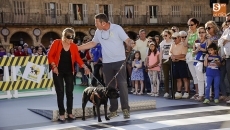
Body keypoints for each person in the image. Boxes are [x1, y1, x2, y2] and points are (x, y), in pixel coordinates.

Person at [78, 13, 134, 119]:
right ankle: (113, 110)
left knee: (122, 85)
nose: (95, 25)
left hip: (119, 61)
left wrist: (131, 43)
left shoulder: (117, 28)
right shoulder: (99, 32)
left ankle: (126, 109)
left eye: (96, 23)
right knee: (109, 88)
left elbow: (127, 40)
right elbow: (93, 43)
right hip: (107, 63)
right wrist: (78, 48)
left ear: (103, 23)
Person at [48, 27, 90, 121]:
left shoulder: (73, 46)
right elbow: (50, 55)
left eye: (72, 39)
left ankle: (70, 112)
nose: (70, 41)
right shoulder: (56, 43)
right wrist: (54, 67)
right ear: (64, 37)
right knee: (60, 92)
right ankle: (62, 113)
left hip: (69, 71)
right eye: (68, 39)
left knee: (70, 92)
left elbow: (78, 59)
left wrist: (85, 67)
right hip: (57, 71)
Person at [169, 32, 189, 99]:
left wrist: (174, 57)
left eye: (175, 38)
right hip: (175, 62)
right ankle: (179, 92)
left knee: (184, 78)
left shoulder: (183, 44)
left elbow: (183, 55)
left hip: (182, 62)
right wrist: (172, 56)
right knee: (178, 78)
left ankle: (186, 92)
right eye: (173, 38)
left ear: (179, 38)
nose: (174, 40)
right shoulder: (172, 44)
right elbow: (170, 52)